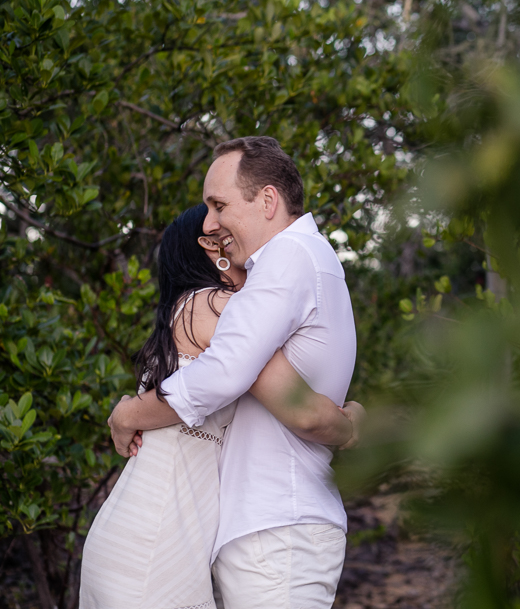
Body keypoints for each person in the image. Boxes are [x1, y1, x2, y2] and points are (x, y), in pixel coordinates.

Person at [108, 136, 360, 609]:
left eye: (218, 205)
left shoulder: (288, 257)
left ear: (268, 200)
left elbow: (226, 372)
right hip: (266, 530)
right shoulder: (301, 262)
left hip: (278, 529)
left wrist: (129, 415)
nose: (210, 223)